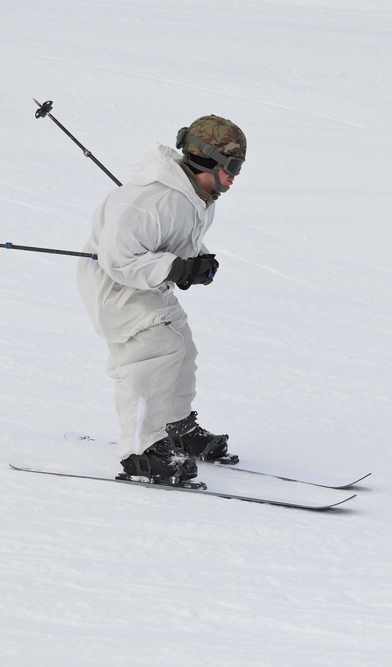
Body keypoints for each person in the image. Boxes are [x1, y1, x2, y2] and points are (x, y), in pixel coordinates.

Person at [77, 115, 246, 484]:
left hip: (146, 281)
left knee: (182, 347)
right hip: (115, 284)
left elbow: (173, 239)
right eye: (232, 165)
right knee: (152, 354)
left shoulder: (198, 196)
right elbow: (119, 258)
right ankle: (141, 452)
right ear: (206, 161)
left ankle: (175, 426)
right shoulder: (156, 201)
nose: (235, 176)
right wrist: (176, 269)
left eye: (240, 167)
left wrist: (195, 260)